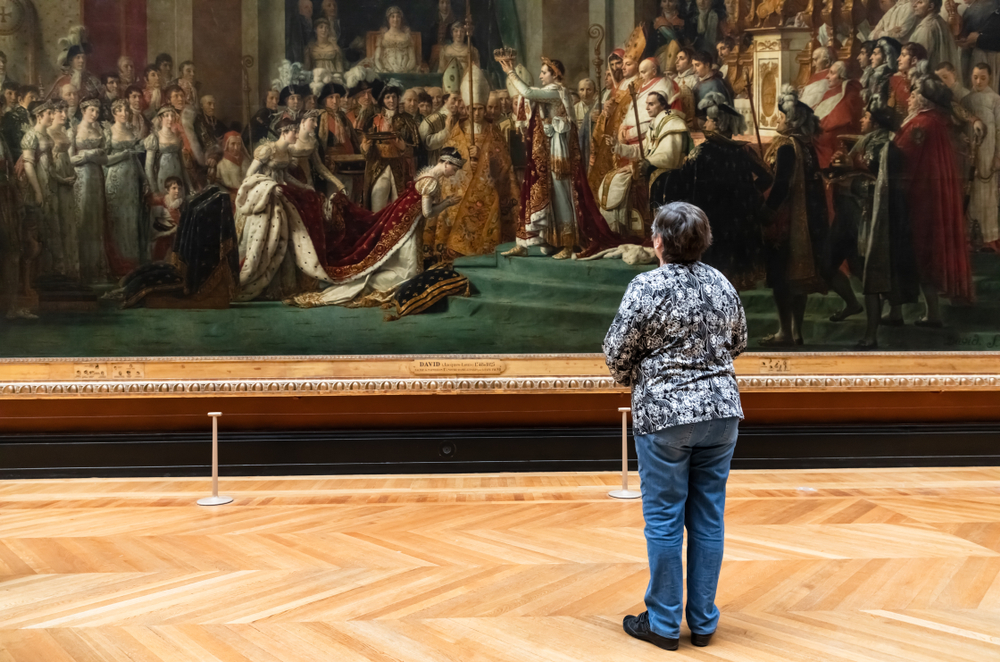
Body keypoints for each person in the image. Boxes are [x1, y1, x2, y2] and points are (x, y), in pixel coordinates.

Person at [604, 201, 746, 653]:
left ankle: (663, 624)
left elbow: (616, 353)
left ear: (658, 242)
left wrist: (642, 376)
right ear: (703, 242)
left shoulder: (646, 286)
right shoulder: (721, 282)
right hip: (722, 415)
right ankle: (703, 622)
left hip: (665, 417)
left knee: (664, 521)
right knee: (709, 518)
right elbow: (738, 341)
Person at [287, 147, 466, 309]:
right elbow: (427, 213)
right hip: (406, 228)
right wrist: (446, 204)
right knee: (407, 272)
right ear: (446, 163)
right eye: (454, 169)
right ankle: (366, 285)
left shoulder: (426, 174)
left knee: (402, 267)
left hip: (404, 224)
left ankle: (371, 282)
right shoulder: (431, 182)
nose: (454, 173)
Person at [499, 56, 622, 259]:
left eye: (544, 72)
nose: (540, 75)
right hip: (545, 149)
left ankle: (568, 242)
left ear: (555, 74)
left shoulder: (556, 91)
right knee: (537, 191)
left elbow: (528, 92)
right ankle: (535, 241)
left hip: (558, 150)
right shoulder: (552, 92)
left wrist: (511, 72)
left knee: (561, 193)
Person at [661, 93, 773, 290]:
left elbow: (681, 181)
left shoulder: (701, 151)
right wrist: (749, 193)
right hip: (739, 215)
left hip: (712, 214)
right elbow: (767, 176)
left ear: (720, 124)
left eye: (711, 121)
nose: (706, 124)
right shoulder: (743, 151)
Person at [894, 75, 974, 323]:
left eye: (914, 95)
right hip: (929, 199)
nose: (909, 99)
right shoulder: (936, 122)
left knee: (919, 254)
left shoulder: (920, 124)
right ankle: (929, 312)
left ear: (924, 99)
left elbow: (901, 159)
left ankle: (929, 313)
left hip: (919, 201)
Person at [843, 102, 920, 347]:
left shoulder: (880, 148)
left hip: (881, 219)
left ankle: (870, 336)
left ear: (876, 124)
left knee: (873, 278)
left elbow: (881, 186)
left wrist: (852, 185)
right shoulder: (892, 144)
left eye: (866, 117)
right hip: (892, 217)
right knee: (885, 272)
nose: (862, 120)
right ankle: (893, 317)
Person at [424, 66, 519, 262]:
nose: (476, 113)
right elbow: (447, 164)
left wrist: (484, 156)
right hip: (460, 190)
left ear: (485, 109)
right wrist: (467, 160)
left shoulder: (495, 133)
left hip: (487, 191)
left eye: (480, 108)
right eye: (472, 108)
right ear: (466, 109)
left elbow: (504, 165)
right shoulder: (456, 133)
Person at [70, 98, 110, 284]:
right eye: (91, 110)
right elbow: (70, 159)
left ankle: (96, 268)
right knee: (83, 217)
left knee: (96, 219)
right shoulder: (74, 129)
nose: (95, 114)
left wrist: (97, 157)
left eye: (97, 110)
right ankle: (82, 269)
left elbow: (105, 160)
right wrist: (89, 155)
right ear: (83, 110)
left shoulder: (100, 129)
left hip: (97, 176)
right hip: (81, 176)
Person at [104, 99, 145, 276]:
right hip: (115, 177)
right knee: (117, 219)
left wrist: (145, 179)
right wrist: (123, 154)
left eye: (126, 111)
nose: (124, 114)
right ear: (114, 113)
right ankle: (118, 263)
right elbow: (104, 160)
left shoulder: (131, 130)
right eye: (120, 111)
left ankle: (132, 261)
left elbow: (135, 158)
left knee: (131, 217)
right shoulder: (108, 132)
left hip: (132, 178)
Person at [909, 0, 961, 70]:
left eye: (920, 2)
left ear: (931, 6)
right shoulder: (939, 21)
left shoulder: (926, 28)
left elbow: (920, 60)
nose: (914, 5)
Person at [374, 6, 419, 73]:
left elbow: (412, 59)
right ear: (388, 19)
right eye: (393, 16)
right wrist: (382, 70)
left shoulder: (407, 37)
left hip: (404, 73)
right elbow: (377, 58)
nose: (395, 19)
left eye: (398, 17)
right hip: (387, 72)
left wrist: (406, 70)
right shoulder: (382, 37)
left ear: (401, 19)